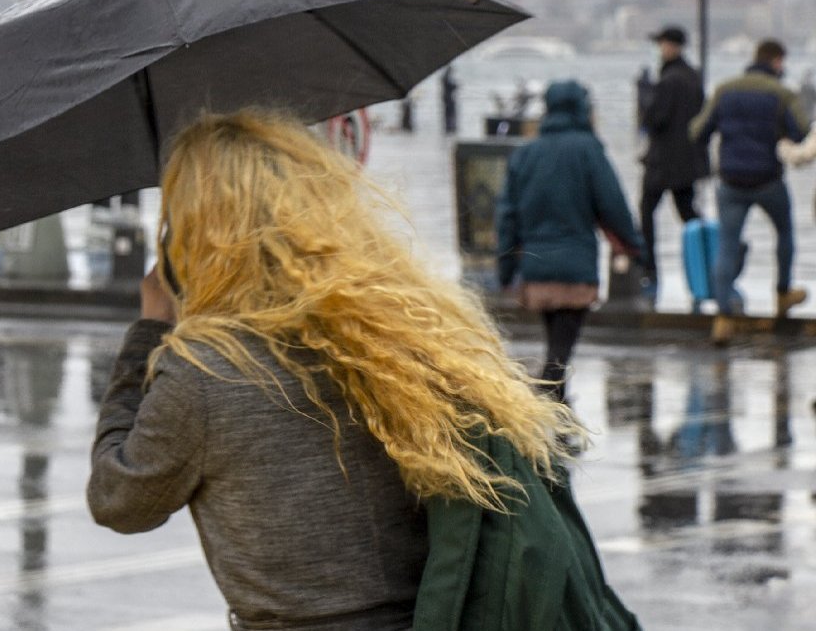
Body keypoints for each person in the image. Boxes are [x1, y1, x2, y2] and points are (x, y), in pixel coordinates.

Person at [89, 110, 639, 630]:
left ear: (193, 234)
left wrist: (149, 331)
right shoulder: (390, 331)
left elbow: (120, 500)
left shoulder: (207, 372)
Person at [497, 81, 644, 405]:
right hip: (576, 261)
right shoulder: (588, 149)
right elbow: (612, 203)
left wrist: (505, 267)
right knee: (564, 336)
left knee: (556, 334)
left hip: (535, 263)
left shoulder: (526, 153)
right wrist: (635, 246)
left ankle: (555, 389)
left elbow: (507, 215)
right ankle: (552, 387)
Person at [691, 39, 811, 343]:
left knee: (727, 246)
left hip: (730, 180)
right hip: (768, 179)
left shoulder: (725, 89)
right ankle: (783, 294)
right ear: (777, 61)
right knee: (784, 234)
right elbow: (800, 131)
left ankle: (723, 317)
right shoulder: (782, 93)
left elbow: (698, 131)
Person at [638, 26, 709, 302]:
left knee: (646, 211)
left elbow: (655, 119)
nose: (660, 49)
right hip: (688, 162)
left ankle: (649, 268)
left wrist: (645, 97)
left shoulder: (668, 80)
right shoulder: (693, 77)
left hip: (662, 162)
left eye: (663, 44)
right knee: (688, 213)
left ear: (672, 46)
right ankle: (706, 262)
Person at [440, 65, 458, 134]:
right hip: (448, 98)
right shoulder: (446, 78)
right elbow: (450, 86)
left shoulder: (445, 77)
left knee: (448, 113)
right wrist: (455, 86)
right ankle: (450, 127)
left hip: (446, 98)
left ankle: (449, 127)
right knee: (450, 113)